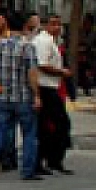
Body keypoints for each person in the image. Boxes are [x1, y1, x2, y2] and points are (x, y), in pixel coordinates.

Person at [0, 12, 42, 182]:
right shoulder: (27, 47)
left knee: (0, 130)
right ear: (25, 26)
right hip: (23, 97)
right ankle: (27, 170)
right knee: (29, 134)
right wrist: (37, 94)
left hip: (3, 96)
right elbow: (32, 73)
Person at [33, 13, 73, 175]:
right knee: (60, 123)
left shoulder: (52, 41)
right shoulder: (43, 41)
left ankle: (50, 160)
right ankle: (51, 159)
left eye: (59, 24)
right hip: (45, 87)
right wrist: (61, 72)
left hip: (52, 86)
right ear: (45, 25)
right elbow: (42, 65)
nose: (57, 27)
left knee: (49, 125)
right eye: (53, 24)